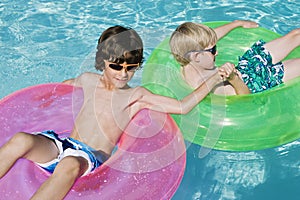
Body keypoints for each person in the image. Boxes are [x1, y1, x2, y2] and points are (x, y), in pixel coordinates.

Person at [0, 25, 227, 200]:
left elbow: (182, 107)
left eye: (131, 68)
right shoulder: (87, 81)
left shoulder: (135, 96)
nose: (123, 74)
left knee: (68, 164)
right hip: (62, 145)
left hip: (87, 159)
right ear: (102, 61)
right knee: (21, 140)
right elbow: (61, 88)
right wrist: (40, 99)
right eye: (116, 66)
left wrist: (215, 79)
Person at [169, 20, 300, 94]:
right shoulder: (207, 82)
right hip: (258, 82)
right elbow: (244, 95)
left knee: (295, 34)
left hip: (247, 65)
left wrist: (236, 24)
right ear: (197, 56)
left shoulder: (187, 57)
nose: (217, 53)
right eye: (213, 50)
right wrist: (233, 78)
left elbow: (208, 39)